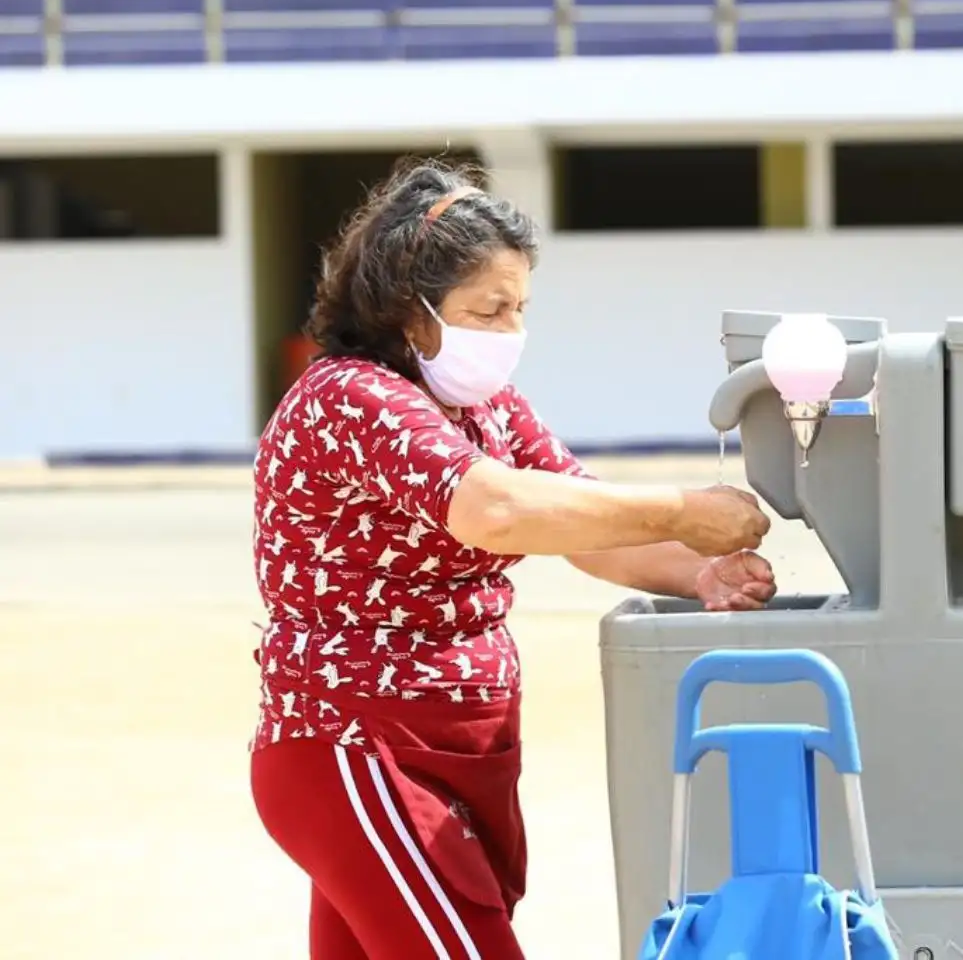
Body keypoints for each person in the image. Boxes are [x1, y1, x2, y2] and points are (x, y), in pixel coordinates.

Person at [250, 160, 776, 960]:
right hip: (359, 744)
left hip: (466, 749)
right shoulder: (349, 398)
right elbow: (497, 509)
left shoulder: (486, 408)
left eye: (519, 309)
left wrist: (694, 568)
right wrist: (682, 509)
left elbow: (577, 514)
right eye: (486, 310)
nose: (507, 332)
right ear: (406, 309)